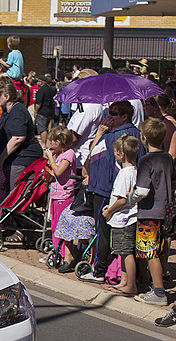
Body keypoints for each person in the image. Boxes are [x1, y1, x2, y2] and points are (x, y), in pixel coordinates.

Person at [82, 101, 142, 284]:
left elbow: (90, 158)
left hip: (106, 189)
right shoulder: (138, 134)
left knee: (103, 232)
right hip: (128, 192)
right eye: (109, 112)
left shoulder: (111, 137)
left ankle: (99, 270)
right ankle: (126, 274)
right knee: (125, 235)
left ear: (124, 116)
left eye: (114, 113)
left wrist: (99, 133)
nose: (109, 117)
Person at [128, 118, 173, 305]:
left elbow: (142, 191)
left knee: (150, 252)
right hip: (167, 210)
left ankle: (159, 291)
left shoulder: (147, 160)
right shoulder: (168, 158)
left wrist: (130, 198)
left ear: (144, 138)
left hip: (149, 212)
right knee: (161, 249)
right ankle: (160, 282)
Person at [100, 135, 140, 296]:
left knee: (126, 253)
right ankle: (124, 281)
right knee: (122, 252)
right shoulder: (133, 171)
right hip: (122, 217)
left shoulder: (125, 173)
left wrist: (109, 211)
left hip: (124, 219)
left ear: (121, 154)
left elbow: (122, 199)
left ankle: (131, 284)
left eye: (116, 152)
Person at [0, 81, 43, 188]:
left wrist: (1, 159)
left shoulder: (18, 111)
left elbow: (18, 137)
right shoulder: (7, 111)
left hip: (22, 158)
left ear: (7, 96)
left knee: (15, 193)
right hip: (13, 158)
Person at [43, 126, 78, 264]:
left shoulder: (68, 154)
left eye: (53, 141)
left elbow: (59, 172)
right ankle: (57, 252)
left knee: (61, 227)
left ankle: (63, 255)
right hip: (56, 195)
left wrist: (51, 158)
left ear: (59, 141)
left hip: (64, 196)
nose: (51, 144)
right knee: (55, 226)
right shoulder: (61, 155)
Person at [35, 75, 56, 145]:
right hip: (49, 111)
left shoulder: (42, 90)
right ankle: (48, 143)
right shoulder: (50, 89)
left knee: (42, 129)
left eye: (38, 81)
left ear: (41, 82)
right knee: (47, 128)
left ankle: (43, 144)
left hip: (42, 111)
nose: (37, 83)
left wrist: (36, 111)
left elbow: (39, 102)